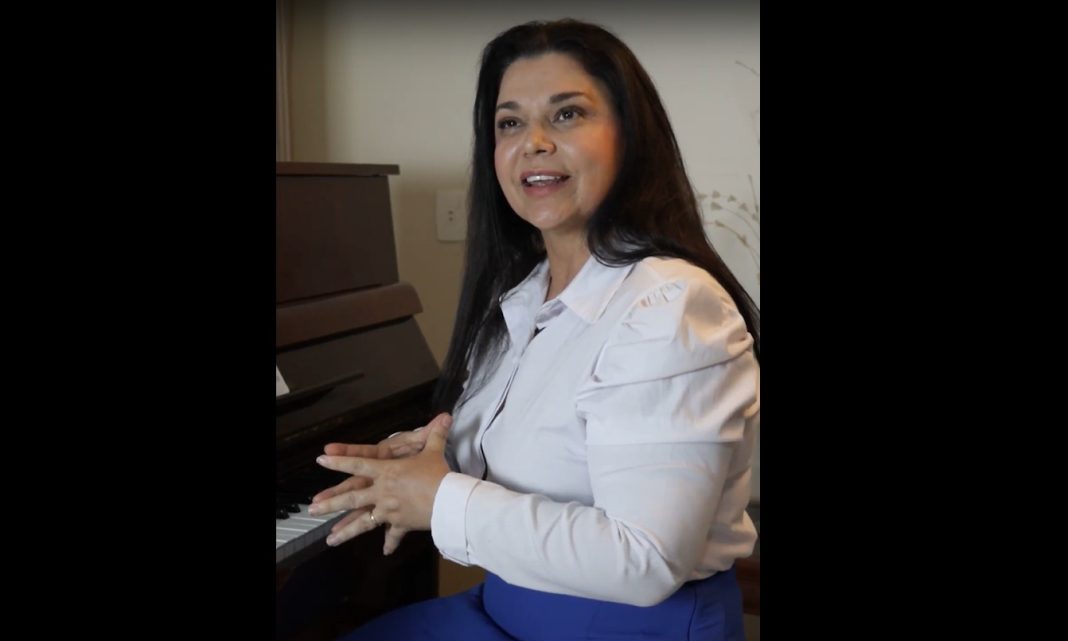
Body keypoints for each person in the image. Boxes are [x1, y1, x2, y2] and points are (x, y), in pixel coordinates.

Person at [308, 18, 760, 641]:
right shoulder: (522, 297)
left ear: (631, 136)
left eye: (567, 114)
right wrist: (429, 457)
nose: (534, 143)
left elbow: (645, 560)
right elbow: (545, 449)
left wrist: (440, 499)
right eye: (510, 123)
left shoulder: (671, 307)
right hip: (506, 608)